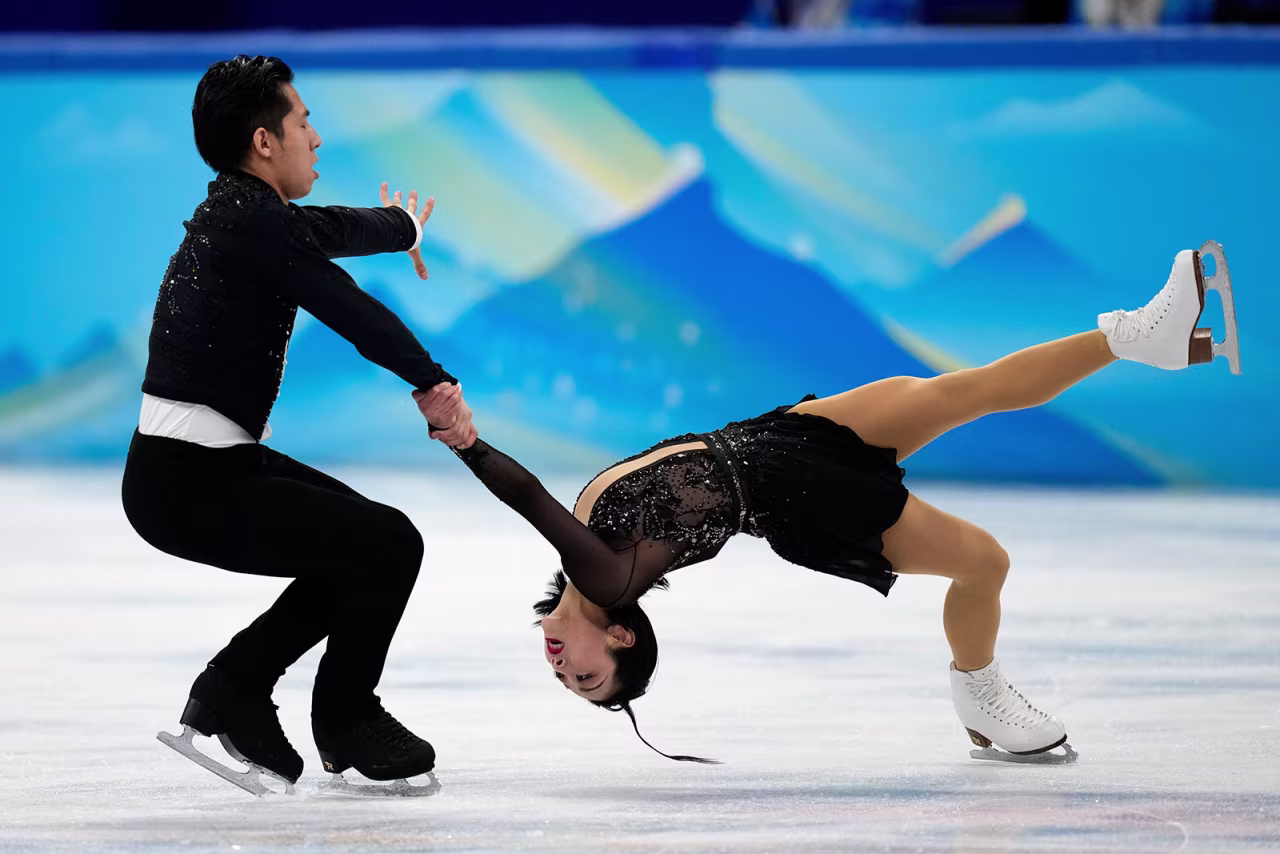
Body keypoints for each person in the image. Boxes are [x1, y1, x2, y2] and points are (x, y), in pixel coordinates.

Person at [414, 247, 1237, 763]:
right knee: (984, 560)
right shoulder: (608, 573)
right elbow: (524, 493)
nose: (563, 669)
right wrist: (465, 439)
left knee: (961, 390)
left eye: (570, 679)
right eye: (588, 677)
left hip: (774, 439)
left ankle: (1141, 335)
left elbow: (548, 502)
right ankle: (978, 690)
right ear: (621, 634)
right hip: (802, 496)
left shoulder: (586, 565)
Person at [121, 54, 475, 794]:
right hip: (187, 482)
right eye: (304, 122)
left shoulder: (243, 213)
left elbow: (327, 228)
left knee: (365, 543)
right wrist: (433, 385)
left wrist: (402, 225)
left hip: (197, 469)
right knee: (384, 544)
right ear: (263, 142)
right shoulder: (253, 224)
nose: (317, 138)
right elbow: (350, 309)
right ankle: (344, 719)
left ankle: (234, 689)